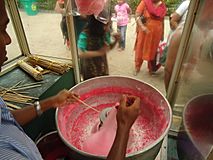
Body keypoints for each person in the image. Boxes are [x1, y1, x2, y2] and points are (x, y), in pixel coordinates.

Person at [0, 1, 139, 159]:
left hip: (100, 66)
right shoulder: (8, 155)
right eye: (3, 28)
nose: (9, 39)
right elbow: (82, 52)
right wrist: (123, 127)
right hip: (90, 67)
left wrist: (51, 101)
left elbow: (7, 117)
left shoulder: (102, 33)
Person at [78, 14, 120, 80]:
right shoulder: (85, 34)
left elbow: (108, 48)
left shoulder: (105, 33)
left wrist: (116, 41)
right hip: (89, 67)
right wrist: (99, 53)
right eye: (106, 25)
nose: (108, 28)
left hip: (102, 66)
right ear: (96, 25)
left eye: (109, 25)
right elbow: (81, 53)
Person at [134, 0, 166, 75]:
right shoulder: (145, 2)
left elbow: (162, 20)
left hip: (157, 33)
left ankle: (151, 69)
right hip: (145, 31)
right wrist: (142, 27)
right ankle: (137, 67)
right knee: (140, 48)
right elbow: (137, 15)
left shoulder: (162, 6)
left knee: (153, 50)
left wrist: (162, 34)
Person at [160, 0, 190, 66]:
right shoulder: (188, 3)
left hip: (190, 41)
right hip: (178, 38)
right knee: (170, 63)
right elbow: (173, 20)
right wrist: (181, 35)